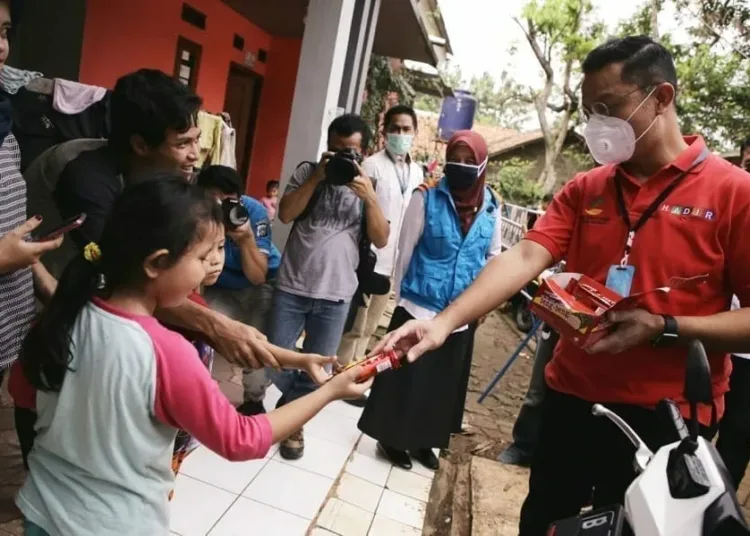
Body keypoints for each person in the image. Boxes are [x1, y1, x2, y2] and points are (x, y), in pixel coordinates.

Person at [371, 36, 750, 535]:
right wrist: (443, 323)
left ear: (660, 99)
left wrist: (664, 327)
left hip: (665, 419)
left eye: (608, 108)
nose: (597, 125)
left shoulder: (731, 194)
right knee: (547, 520)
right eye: (589, 110)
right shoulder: (589, 188)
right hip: (573, 400)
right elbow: (526, 255)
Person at [15, 177, 371, 536]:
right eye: (203, 257)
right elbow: (241, 438)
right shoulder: (166, 352)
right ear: (156, 263)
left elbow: (25, 396)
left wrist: (299, 360)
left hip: (43, 512)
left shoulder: (62, 316)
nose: (209, 268)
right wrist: (328, 392)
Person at [47, 68, 277, 373]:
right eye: (182, 144)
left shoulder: (163, 179)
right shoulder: (84, 177)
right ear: (141, 145)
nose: (195, 155)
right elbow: (124, 276)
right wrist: (216, 325)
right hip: (45, 311)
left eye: (197, 141)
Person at [358, 130, 501, 471]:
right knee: (408, 378)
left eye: (470, 161)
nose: (462, 166)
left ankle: (425, 442)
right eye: (456, 159)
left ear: (482, 164)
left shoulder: (492, 205)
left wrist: (481, 305)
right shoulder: (428, 197)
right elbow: (405, 248)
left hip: (460, 312)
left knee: (442, 383)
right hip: (419, 304)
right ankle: (391, 439)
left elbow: (494, 256)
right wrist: (402, 294)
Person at [271, 113, 389, 460]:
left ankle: (292, 424)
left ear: (364, 152)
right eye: (336, 150)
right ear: (327, 148)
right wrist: (318, 178)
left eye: (350, 152)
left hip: (337, 293)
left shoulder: (371, 186)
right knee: (273, 358)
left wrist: (369, 198)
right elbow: (286, 214)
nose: (343, 158)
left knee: (318, 368)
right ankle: (294, 405)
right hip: (292, 285)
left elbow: (381, 239)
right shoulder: (308, 172)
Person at [336, 105, 424, 382]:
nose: (400, 134)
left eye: (406, 129)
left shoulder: (417, 173)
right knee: (355, 325)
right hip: (368, 258)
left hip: (395, 263)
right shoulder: (372, 165)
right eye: (395, 128)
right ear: (385, 132)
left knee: (373, 325)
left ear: (415, 133)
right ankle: (337, 374)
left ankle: (358, 375)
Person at [196, 165, 281, 416]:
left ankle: (253, 400)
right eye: (215, 199)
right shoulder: (195, 211)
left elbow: (257, 276)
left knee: (255, 339)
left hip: (260, 283)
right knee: (201, 327)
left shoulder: (252, 211)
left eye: (228, 200)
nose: (222, 207)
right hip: (219, 286)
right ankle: (197, 393)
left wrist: (244, 239)